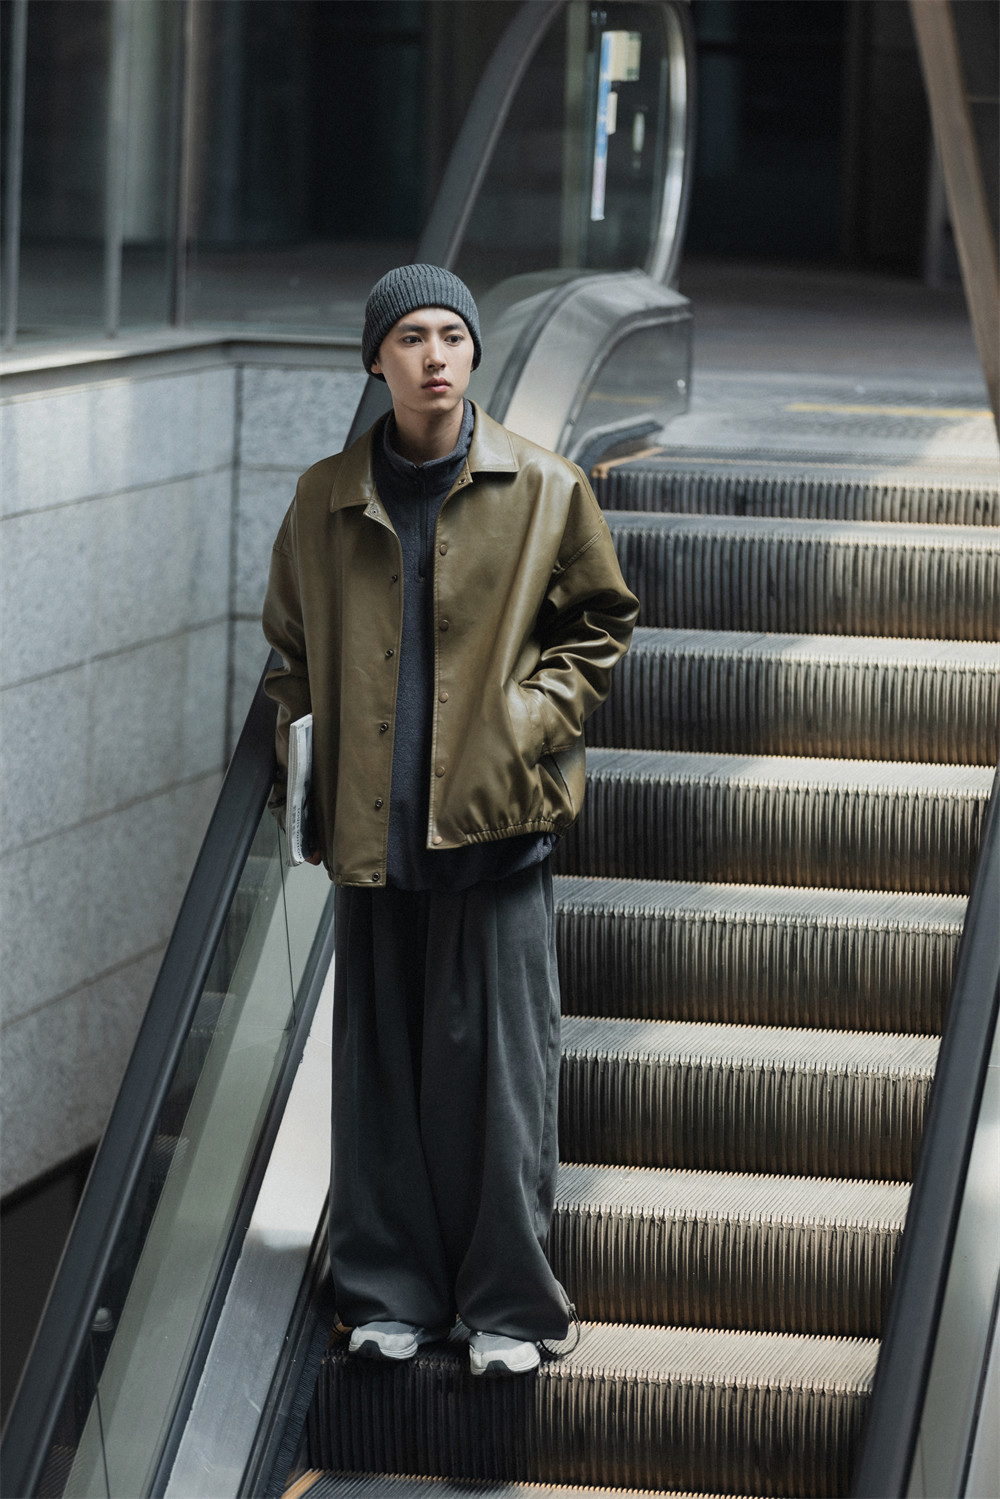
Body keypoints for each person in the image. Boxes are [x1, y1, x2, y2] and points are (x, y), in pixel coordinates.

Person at [262, 264, 638, 1377]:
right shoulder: (324, 497)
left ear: (473, 352)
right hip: (373, 835)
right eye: (411, 337)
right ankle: (389, 1295)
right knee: (378, 1083)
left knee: (500, 1084)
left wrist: (527, 722)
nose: (435, 356)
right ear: (376, 359)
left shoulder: (544, 486)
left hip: (496, 827)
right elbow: (290, 649)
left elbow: (600, 622)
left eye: (452, 336)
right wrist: (307, 769)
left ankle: (511, 1308)